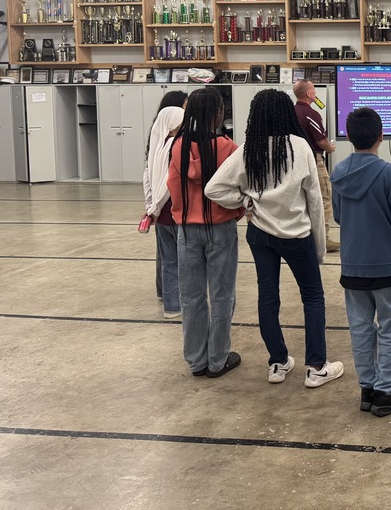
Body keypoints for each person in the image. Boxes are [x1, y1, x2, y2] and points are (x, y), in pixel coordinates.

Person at [206, 90, 345, 389]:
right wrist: (319, 246)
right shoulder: (299, 147)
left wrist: (245, 202)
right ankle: (317, 367)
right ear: (287, 113)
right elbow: (315, 203)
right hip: (296, 234)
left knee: (267, 297)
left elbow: (214, 189)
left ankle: (278, 363)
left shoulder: (248, 149)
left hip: (260, 235)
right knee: (313, 297)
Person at [332, 107, 391, 416]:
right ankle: (387, 391)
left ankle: (367, 388)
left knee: (360, 327)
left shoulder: (339, 172)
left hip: (352, 265)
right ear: (382, 137)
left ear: (349, 137)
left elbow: (339, 216)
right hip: (386, 266)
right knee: (390, 326)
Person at [168, 87, 244, 378]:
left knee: (191, 297)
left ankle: (196, 360)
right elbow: (238, 189)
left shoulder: (178, 146)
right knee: (223, 295)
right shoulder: (228, 147)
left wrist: (183, 216)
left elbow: (173, 185)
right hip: (220, 228)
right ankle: (218, 359)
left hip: (187, 229)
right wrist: (235, 213)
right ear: (217, 113)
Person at [143, 90, 187, 304]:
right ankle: (180, 300)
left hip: (160, 214)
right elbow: (171, 181)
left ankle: (170, 304)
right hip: (173, 210)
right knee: (182, 260)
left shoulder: (157, 145)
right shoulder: (175, 147)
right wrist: (157, 205)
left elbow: (148, 176)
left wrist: (151, 207)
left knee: (168, 260)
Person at [293, 79, 339, 253]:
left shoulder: (290, 112)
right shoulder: (311, 114)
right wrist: (330, 148)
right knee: (323, 198)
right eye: (314, 90)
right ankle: (323, 240)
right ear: (308, 94)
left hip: (294, 163)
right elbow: (321, 140)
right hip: (313, 160)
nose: (316, 93)